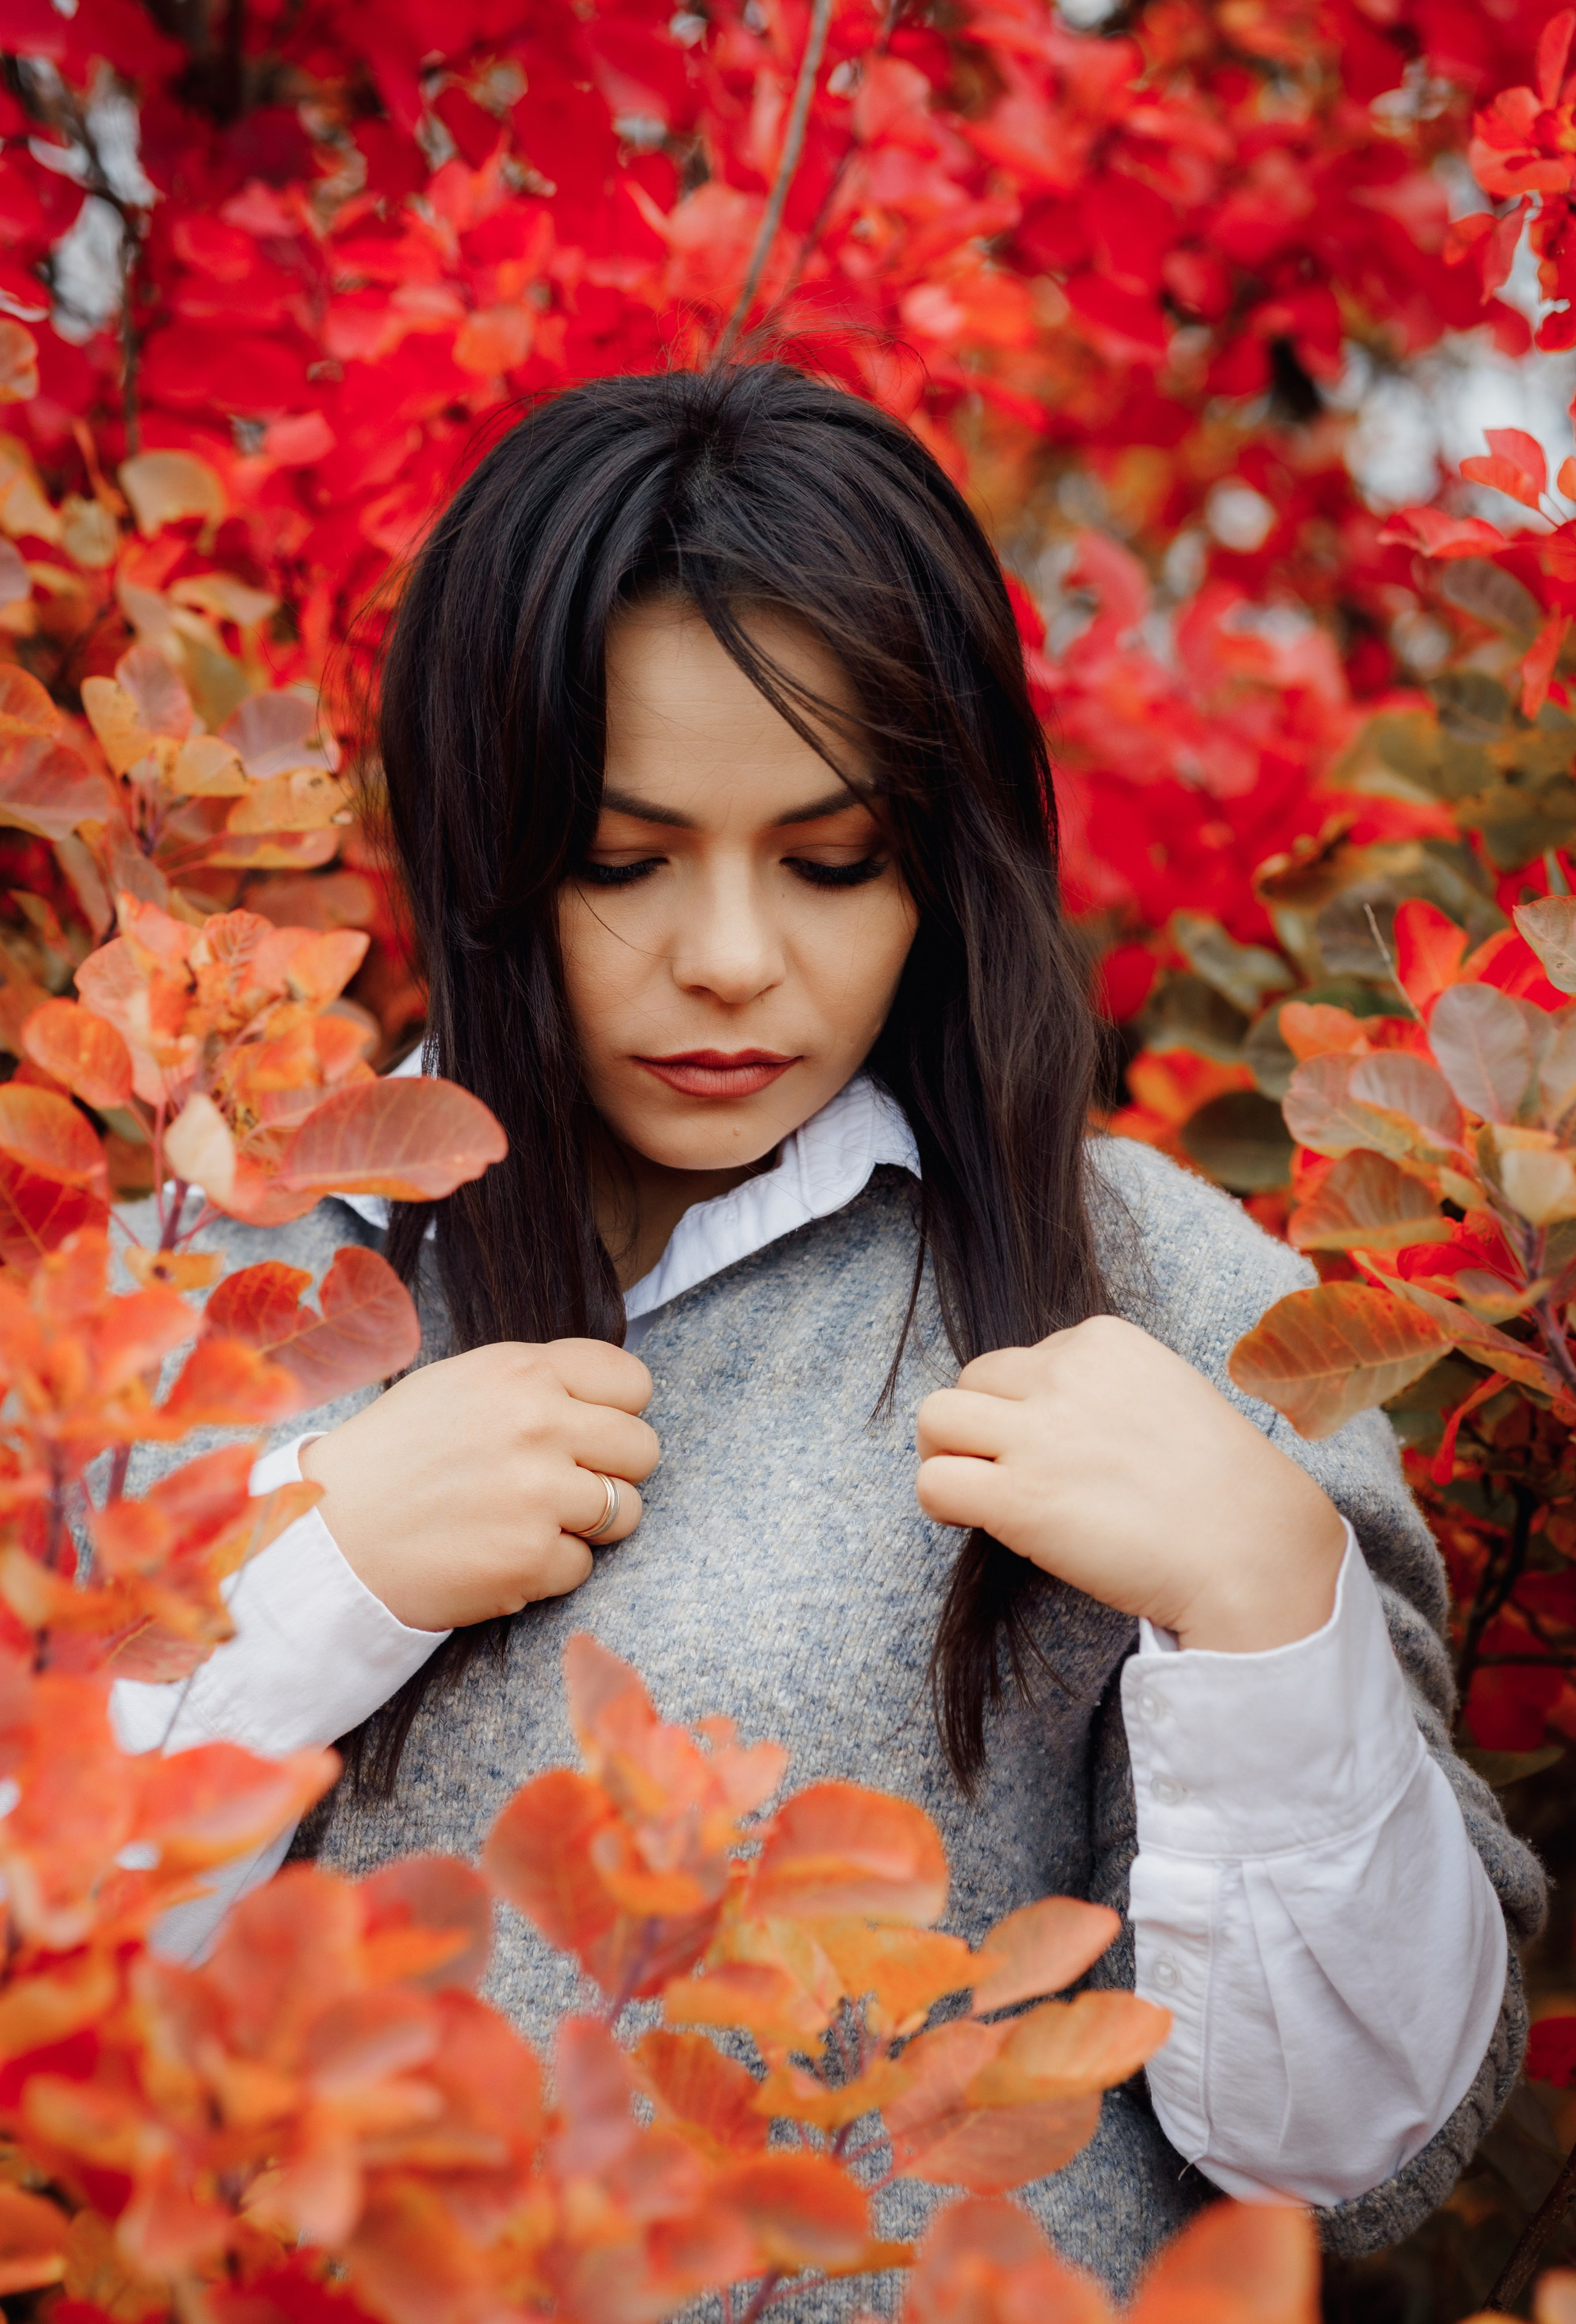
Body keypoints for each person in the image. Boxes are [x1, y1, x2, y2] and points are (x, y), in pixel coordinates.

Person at [113, 363, 1543, 2304]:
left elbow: (1347, 2154)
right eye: (621, 861)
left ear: (942, 859)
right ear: (480, 844)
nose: (727, 954)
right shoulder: (208, 1291)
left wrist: (1275, 1614)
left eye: (832, 857)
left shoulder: (1146, 1278)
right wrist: (312, 1577)